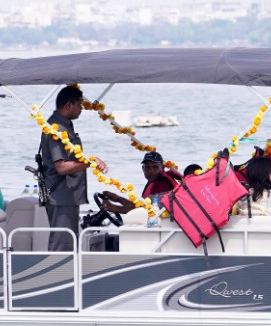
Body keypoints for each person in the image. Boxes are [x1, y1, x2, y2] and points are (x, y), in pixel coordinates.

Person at [41, 85, 108, 251]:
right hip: (60, 195)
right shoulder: (56, 129)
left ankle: (67, 274)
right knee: (62, 245)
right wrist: (90, 163)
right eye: (80, 105)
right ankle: (57, 276)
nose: (81, 109)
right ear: (68, 105)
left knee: (69, 243)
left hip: (68, 195)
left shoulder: (66, 126)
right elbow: (62, 167)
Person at [100, 151, 182, 214]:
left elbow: (147, 210)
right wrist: (118, 199)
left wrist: (114, 208)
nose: (151, 171)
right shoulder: (154, 181)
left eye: (155, 167)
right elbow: (141, 206)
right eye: (147, 167)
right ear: (143, 169)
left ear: (163, 168)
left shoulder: (162, 184)